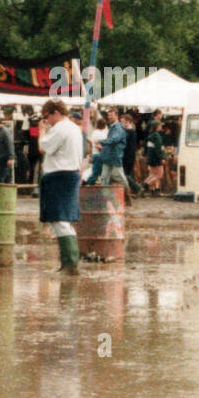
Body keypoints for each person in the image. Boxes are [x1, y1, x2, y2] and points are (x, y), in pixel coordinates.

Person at [38, 99, 84, 274]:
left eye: (47, 116)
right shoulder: (73, 128)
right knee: (64, 219)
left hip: (59, 175)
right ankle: (69, 263)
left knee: (59, 220)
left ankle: (70, 263)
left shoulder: (60, 128)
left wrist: (42, 131)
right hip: (69, 174)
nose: (47, 120)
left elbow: (43, 147)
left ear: (56, 112)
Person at [92, 107, 133, 205]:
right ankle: (103, 199)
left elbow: (114, 140)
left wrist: (101, 141)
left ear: (116, 115)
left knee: (120, 177)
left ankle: (128, 195)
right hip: (109, 156)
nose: (109, 117)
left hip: (114, 156)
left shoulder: (118, 128)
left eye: (112, 115)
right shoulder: (114, 127)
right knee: (104, 177)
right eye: (109, 115)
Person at [0, 117, 15, 184]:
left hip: (4, 158)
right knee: (3, 176)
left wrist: (11, 157)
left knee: (1, 176)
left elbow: (10, 144)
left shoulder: (5, 131)